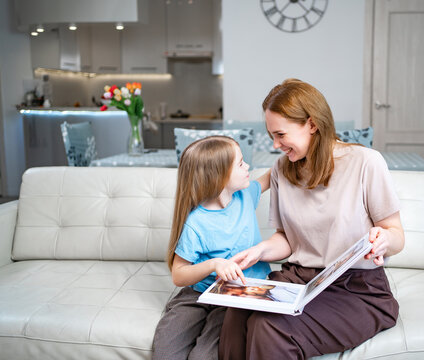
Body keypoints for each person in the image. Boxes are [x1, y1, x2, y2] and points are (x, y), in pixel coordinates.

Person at [219, 79, 405, 360]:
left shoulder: (366, 162)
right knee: (237, 310)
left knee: (269, 326)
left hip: (355, 289)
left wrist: (384, 241)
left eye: (281, 134)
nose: (275, 145)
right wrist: (260, 251)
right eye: (272, 135)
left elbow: (396, 234)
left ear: (312, 124)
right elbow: (286, 239)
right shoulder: (283, 168)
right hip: (299, 279)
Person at [152, 136, 273, 360]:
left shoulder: (246, 195)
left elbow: (271, 176)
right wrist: (214, 264)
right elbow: (179, 275)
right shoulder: (195, 222)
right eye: (240, 163)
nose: (248, 167)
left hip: (236, 296)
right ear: (218, 175)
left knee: (204, 356)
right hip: (198, 294)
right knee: (165, 353)